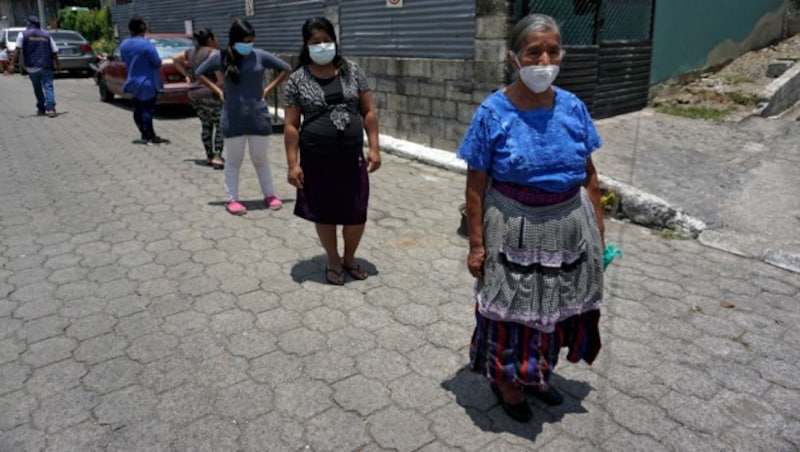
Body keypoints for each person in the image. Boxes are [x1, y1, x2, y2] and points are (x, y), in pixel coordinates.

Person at [457, 14, 604, 422]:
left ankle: (538, 374)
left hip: (568, 228)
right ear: (513, 58)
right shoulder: (492, 112)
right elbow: (474, 186)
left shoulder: (573, 107)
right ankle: (507, 382)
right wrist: (476, 245)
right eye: (533, 52)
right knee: (510, 311)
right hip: (512, 229)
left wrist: (599, 236)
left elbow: (590, 176)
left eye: (552, 51)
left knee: (556, 308)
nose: (544, 60)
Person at [283, 17, 381, 285]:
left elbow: (369, 111)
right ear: (306, 45)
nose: (323, 46)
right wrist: (293, 164)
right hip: (317, 160)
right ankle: (333, 259)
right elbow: (291, 125)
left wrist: (374, 146)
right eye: (316, 42)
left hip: (351, 158)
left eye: (327, 40)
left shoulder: (352, 71)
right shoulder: (297, 80)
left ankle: (350, 257)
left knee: (356, 211)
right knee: (324, 211)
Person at [197, 19, 291, 216]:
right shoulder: (221, 57)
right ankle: (232, 199)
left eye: (251, 40)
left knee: (260, 159)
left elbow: (285, 68)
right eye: (245, 40)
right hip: (233, 118)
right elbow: (200, 73)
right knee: (234, 161)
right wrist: (218, 90)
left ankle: (270, 194)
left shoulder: (260, 56)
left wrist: (267, 89)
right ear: (234, 39)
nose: (248, 44)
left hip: (258, 117)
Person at [174, 28, 225, 169]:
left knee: (206, 124)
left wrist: (187, 75)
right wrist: (218, 87)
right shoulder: (213, 54)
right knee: (220, 125)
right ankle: (218, 156)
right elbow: (220, 79)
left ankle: (209, 156)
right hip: (210, 94)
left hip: (194, 94)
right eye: (215, 38)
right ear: (210, 40)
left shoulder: (190, 52)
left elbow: (175, 59)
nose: (217, 40)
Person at [119, 15, 169, 145]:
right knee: (147, 110)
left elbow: (124, 60)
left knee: (137, 109)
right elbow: (157, 62)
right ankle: (150, 136)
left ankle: (143, 134)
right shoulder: (146, 44)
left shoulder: (124, 44)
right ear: (143, 28)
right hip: (147, 81)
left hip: (132, 81)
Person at [6, 15, 60, 117]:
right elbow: (54, 52)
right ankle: (51, 108)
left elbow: (17, 50)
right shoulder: (46, 35)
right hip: (46, 65)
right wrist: (58, 65)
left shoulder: (23, 35)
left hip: (32, 66)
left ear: (29, 24)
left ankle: (41, 108)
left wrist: (12, 64)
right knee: (48, 87)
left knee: (37, 88)